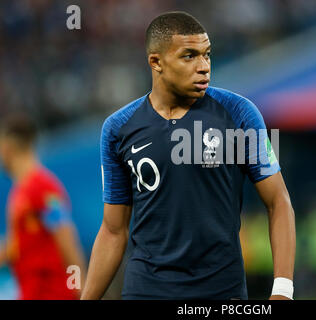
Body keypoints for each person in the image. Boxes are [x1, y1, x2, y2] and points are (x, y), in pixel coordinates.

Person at [81, 11, 296, 300]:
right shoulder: (119, 128)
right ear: (156, 62)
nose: (204, 66)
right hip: (146, 291)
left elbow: (278, 201)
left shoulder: (239, 115)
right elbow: (112, 230)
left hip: (221, 292)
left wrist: (283, 290)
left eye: (207, 54)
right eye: (189, 56)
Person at [0, 113, 86, 300]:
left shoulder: (43, 187)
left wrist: (80, 288)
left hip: (53, 294)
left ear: (8, 147)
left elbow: (67, 239)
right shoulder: (19, 192)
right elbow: (21, 246)